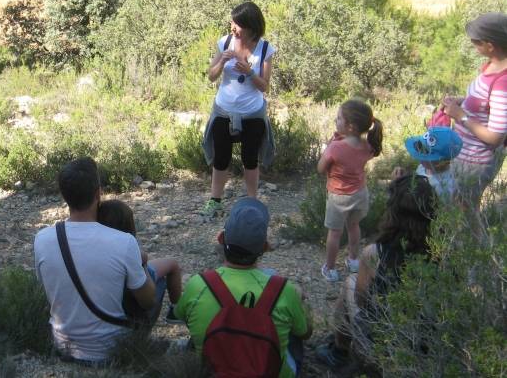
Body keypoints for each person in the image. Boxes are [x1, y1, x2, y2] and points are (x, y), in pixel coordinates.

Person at [34, 157, 157, 364]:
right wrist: (143, 265)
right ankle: (143, 346)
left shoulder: (42, 239)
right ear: (98, 193)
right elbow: (148, 301)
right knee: (154, 282)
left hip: (62, 346)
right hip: (113, 349)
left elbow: (46, 291)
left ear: (64, 196)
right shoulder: (124, 242)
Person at [175, 198, 312, 378]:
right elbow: (306, 333)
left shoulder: (197, 284)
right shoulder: (284, 290)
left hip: (214, 372)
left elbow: (180, 316)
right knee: (293, 329)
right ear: (265, 248)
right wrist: (300, 300)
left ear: (221, 239)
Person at [317, 174, 437, 368]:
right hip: (425, 344)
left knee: (350, 283)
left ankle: (340, 351)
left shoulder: (376, 253)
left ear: (393, 211)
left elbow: (361, 300)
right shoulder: (442, 252)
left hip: (383, 340)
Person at [202, 1, 276, 217]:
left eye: (237, 24)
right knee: (221, 157)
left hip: (252, 112)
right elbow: (211, 75)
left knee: (250, 158)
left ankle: (252, 201)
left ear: (251, 26)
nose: (232, 27)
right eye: (232, 22)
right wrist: (221, 60)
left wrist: (250, 72)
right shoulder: (225, 42)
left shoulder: (265, 49)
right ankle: (215, 200)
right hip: (224, 110)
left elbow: (265, 86)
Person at [442, 12, 507, 235]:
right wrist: (463, 102)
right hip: (467, 153)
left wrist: (461, 116)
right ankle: (465, 259)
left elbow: (496, 136)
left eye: (476, 42)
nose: (473, 45)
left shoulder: (502, 82)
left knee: (467, 212)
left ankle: (477, 265)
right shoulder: (490, 66)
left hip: (478, 160)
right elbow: (485, 105)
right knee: (460, 205)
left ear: (490, 45)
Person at [317, 99, 383, 282]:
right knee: (354, 226)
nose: (335, 121)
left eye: (339, 118)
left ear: (351, 126)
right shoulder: (368, 146)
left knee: (335, 233)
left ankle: (330, 268)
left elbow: (321, 168)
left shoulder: (336, 147)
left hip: (339, 197)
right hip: (360, 194)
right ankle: (353, 259)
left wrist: (330, 146)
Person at [96, 199, 183, 323]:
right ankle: (176, 312)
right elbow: (141, 260)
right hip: (133, 294)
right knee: (172, 264)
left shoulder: (95, 244)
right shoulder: (127, 242)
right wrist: (143, 262)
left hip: (106, 302)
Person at [401, 126, 463, 202]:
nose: (420, 158)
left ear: (441, 163)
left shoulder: (442, 186)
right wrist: (405, 178)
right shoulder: (425, 166)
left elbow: (431, 208)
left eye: (425, 154)